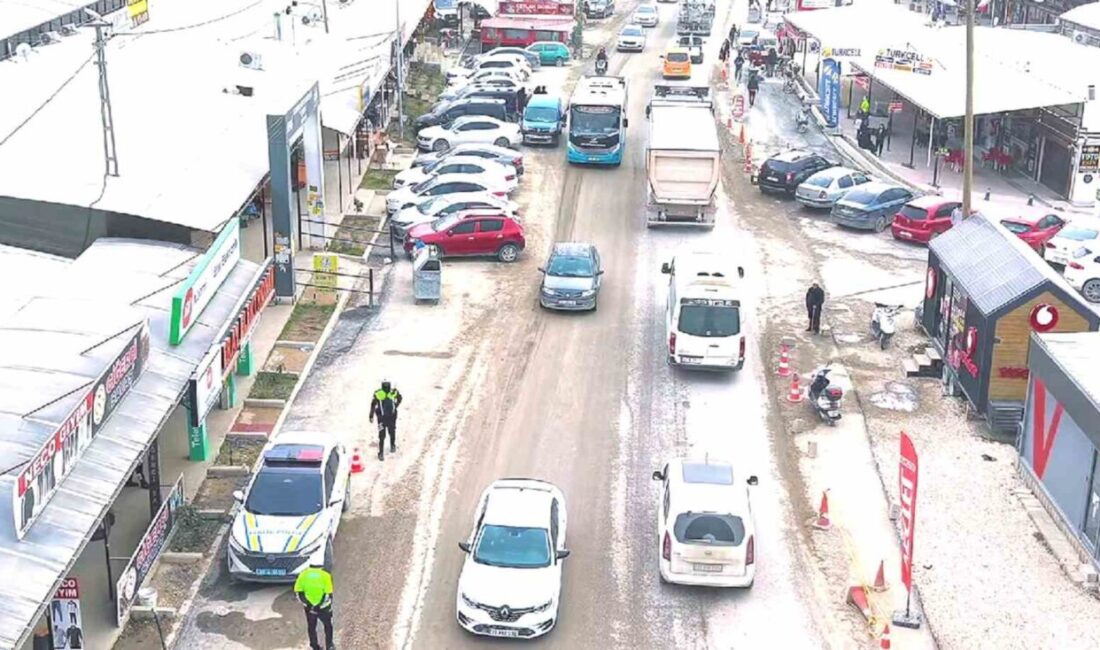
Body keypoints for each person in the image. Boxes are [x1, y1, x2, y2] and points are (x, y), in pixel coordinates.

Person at [294, 562, 334, 650]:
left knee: (312, 627)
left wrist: (309, 605)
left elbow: (298, 592)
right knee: (328, 625)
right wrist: (318, 605)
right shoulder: (325, 575)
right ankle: (329, 645)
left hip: (309, 608)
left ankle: (314, 646)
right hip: (324, 607)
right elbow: (328, 594)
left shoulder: (303, 575)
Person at [369, 379, 403, 461]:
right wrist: (395, 405)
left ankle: (388, 448)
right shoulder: (388, 392)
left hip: (385, 418)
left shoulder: (383, 393)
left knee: (387, 433)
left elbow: (373, 404)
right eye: (386, 384)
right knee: (386, 434)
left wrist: (371, 415)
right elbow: (400, 398)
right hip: (387, 417)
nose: (386, 386)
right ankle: (386, 450)